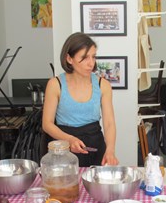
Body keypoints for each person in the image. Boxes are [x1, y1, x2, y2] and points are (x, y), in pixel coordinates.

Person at [42, 32, 118, 167]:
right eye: (84, 58)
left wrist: (110, 150)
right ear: (69, 59)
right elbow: (47, 124)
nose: (91, 63)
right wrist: (69, 140)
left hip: (95, 145)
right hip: (64, 148)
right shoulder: (55, 85)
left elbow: (109, 123)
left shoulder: (103, 85)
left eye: (93, 57)